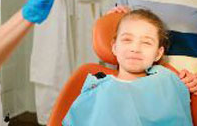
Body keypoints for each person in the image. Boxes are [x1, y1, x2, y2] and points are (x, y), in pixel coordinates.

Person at [63, 9, 193, 126]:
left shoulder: (167, 83)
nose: (135, 49)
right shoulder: (96, 89)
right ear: (114, 47)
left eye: (146, 42)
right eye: (127, 40)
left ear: (158, 53)